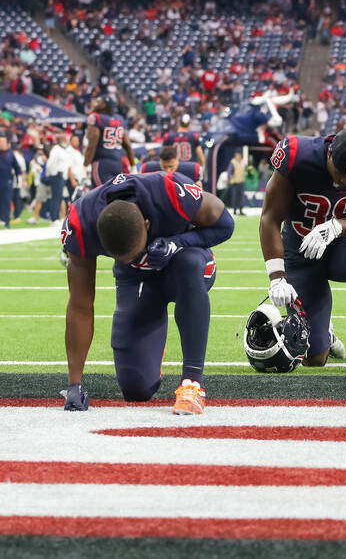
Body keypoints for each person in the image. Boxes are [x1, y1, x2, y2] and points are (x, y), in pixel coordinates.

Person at [60, 171, 234, 414]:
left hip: (185, 264)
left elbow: (226, 224)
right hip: (136, 279)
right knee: (136, 389)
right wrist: (74, 384)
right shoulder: (81, 222)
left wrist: (177, 243)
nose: (135, 258)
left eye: (135, 252)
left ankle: (192, 383)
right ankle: (153, 351)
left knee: (189, 262)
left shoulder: (171, 193)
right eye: (124, 257)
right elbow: (80, 305)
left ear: (147, 225)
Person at [259, 130, 346, 375]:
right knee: (313, 357)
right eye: (341, 171)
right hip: (301, 252)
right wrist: (277, 276)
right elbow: (270, 219)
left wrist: (339, 226)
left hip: (342, 249)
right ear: (329, 154)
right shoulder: (297, 156)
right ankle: (325, 332)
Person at [84, 99, 135, 186]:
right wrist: (132, 163)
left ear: (103, 105)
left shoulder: (96, 117)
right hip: (117, 163)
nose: (95, 103)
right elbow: (127, 144)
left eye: (98, 101)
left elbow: (93, 143)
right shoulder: (119, 119)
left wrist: (86, 164)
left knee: (99, 194)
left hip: (101, 163)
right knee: (114, 194)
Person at [0, 134, 22, 229]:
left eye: (3, 142)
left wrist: (20, 179)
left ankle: (6, 222)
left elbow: (17, 168)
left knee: (6, 201)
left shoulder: (10, 154)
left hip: (7, 182)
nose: (1, 144)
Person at [227, 151, 247, 215]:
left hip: (241, 182)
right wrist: (229, 178)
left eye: (239, 155)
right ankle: (235, 210)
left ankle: (241, 210)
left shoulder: (242, 162)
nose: (238, 156)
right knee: (234, 197)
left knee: (241, 197)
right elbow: (229, 171)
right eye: (237, 155)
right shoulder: (233, 162)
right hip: (235, 182)